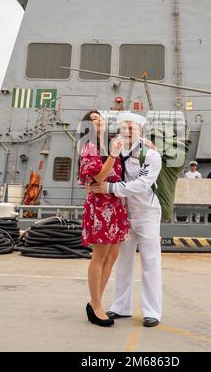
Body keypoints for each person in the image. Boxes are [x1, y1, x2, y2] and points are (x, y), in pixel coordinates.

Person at [90, 112, 162, 328]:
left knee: (150, 262)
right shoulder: (116, 149)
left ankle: (152, 312)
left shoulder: (150, 154)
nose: (128, 131)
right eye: (124, 128)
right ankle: (121, 306)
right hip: (122, 214)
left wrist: (110, 188)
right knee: (123, 262)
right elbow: (102, 165)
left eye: (133, 128)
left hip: (146, 213)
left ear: (141, 131)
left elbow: (143, 183)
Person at [78, 110, 130, 327]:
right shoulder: (89, 147)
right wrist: (113, 156)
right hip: (100, 207)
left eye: (100, 117)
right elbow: (98, 176)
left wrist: (148, 143)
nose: (98, 120)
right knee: (99, 256)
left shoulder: (110, 144)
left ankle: (95, 302)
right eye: (93, 118)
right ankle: (97, 305)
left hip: (116, 204)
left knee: (112, 256)